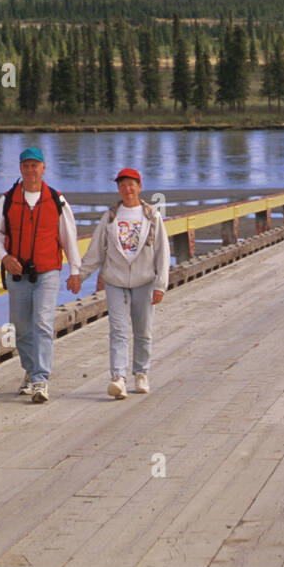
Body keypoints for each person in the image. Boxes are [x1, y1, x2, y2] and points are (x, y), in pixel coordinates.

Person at [0, 146, 82, 404]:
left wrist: (75, 271)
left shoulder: (56, 200)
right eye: (26, 166)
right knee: (21, 329)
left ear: (43, 168)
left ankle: (41, 379)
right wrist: (5, 257)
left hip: (48, 272)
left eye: (35, 165)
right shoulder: (6, 200)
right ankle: (30, 371)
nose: (31, 170)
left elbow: (69, 237)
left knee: (42, 322)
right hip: (17, 275)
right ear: (21, 169)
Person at [68, 167, 170, 399]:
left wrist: (160, 285)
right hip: (115, 281)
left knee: (143, 331)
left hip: (145, 281)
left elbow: (163, 253)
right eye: (122, 185)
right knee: (118, 331)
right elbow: (95, 252)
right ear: (118, 188)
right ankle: (118, 378)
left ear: (139, 186)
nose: (127, 189)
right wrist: (79, 276)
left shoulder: (152, 215)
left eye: (131, 184)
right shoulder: (110, 217)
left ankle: (141, 373)